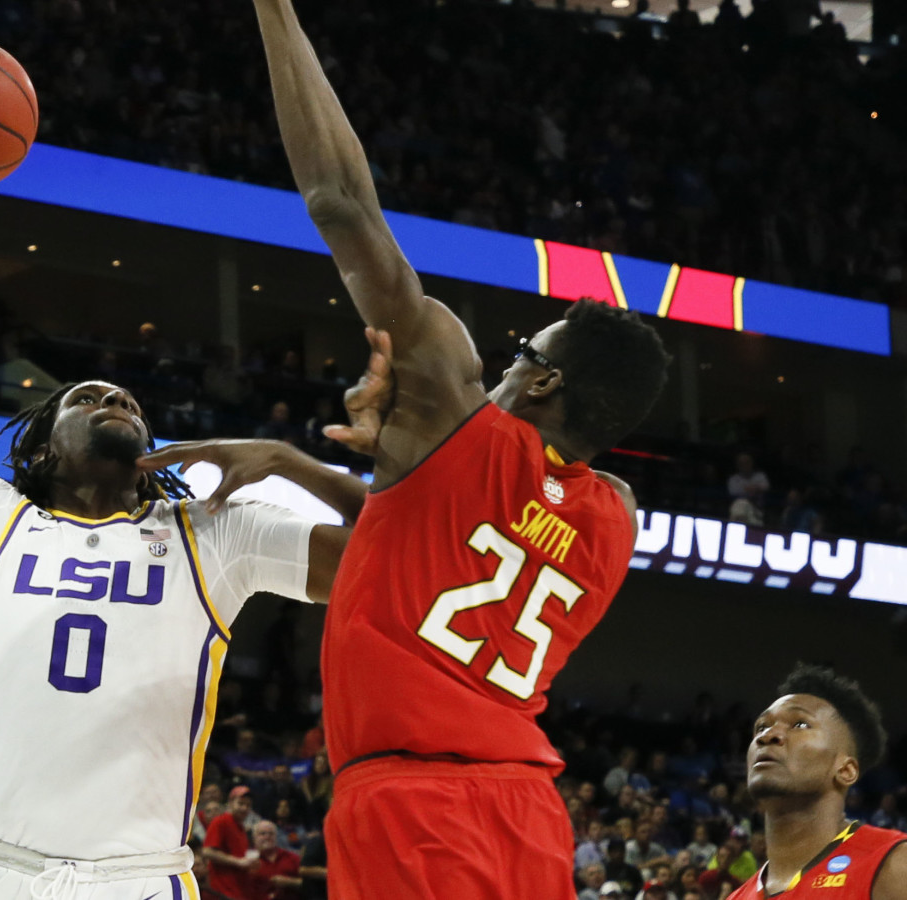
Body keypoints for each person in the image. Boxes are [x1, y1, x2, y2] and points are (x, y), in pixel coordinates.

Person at [0, 91, 368, 900]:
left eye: (129, 402)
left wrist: (294, 462)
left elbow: (402, 564)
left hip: (138, 880)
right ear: (42, 446)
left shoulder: (215, 533)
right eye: (88, 397)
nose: (117, 401)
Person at [249, 1, 670, 898]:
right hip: (527, 813)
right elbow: (442, 541)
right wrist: (329, 469)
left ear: (546, 383)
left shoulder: (448, 407)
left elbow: (337, 200)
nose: (510, 361)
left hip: (412, 802)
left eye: (528, 352)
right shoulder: (615, 524)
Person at [728, 664, 907, 899]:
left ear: (845, 770)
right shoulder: (736, 896)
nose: (767, 735)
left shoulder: (893, 863)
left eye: (800, 724)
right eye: (761, 726)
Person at [203, 787, 259, 900]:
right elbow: (207, 851)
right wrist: (238, 862)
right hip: (223, 892)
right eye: (240, 803)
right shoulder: (221, 821)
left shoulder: (241, 828)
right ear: (230, 803)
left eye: (248, 805)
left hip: (238, 892)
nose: (244, 808)